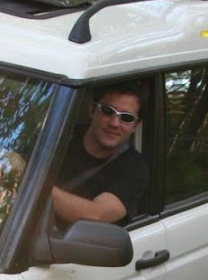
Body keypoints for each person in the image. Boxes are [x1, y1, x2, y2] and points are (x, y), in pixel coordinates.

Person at [51, 85, 149, 225]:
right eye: (108, 111)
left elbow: (95, 216)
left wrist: (34, 189)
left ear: (135, 125)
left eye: (126, 118)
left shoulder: (135, 169)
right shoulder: (56, 140)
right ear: (92, 109)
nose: (114, 123)